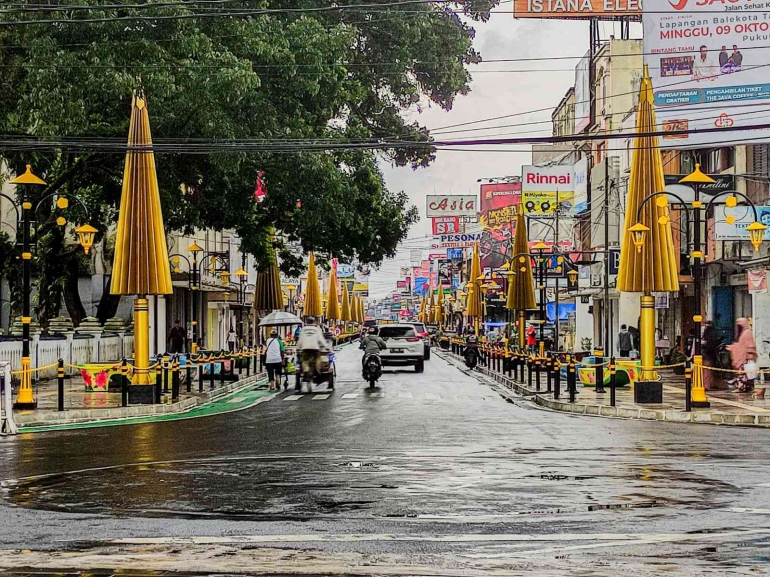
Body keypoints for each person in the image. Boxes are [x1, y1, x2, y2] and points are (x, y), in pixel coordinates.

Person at [726, 318, 757, 393]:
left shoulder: (747, 332)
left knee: (744, 373)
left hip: (745, 357)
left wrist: (750, 354)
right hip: (741, 356)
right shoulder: (742, 333)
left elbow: (750, 344)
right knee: (742, 373)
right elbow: (740, 345)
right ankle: (743, 387)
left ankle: (743, 387)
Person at [702, 321, 726, 391]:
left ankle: (707, 385)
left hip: (707, 355)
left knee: (707, 371)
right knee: (708, 371)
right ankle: (707, 385)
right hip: (709, 356)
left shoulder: (707, 334)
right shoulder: (712, 333)